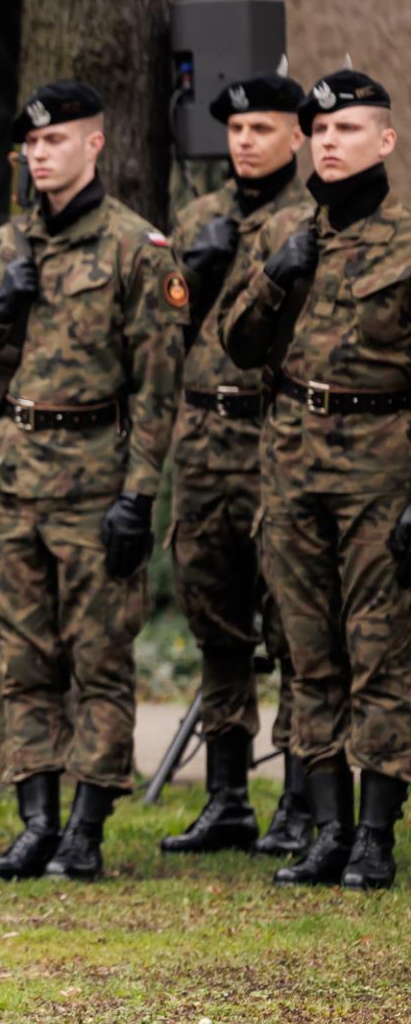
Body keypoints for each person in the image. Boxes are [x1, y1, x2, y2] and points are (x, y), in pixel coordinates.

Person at [0, 79, 186, 881]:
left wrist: (140, 494)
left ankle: (87, 825)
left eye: (57, 141)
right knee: (22, 658)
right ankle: (36, 821)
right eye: (32, 144)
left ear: (95, 145)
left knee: (98, 657)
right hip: (15, 476)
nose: (41, 154)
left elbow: (159, 386)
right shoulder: (1, 250)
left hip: (95, 477)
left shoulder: (136, 249)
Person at [222, 68, 411, 890]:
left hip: (381, 466)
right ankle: (326, 829)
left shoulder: (408, 242)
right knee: (308, 649)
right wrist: (276, 274)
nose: (330, 143)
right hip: (292, 466)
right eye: (321, 131)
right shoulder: (289, 237)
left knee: (381, 649)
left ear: (385, 141)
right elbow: (235, 343)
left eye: (347, 130)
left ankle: (375, 835)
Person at [160, 69, 312, 857]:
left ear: (297, 136)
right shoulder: (199, 218)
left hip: (276, 439)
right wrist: (199, 273)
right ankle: (227, 798)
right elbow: (161, 337)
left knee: (291, 624)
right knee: (214, 621)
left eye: (262, 128)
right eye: (237, 129)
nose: (246, 142)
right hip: (203, 443)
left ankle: (296, 798)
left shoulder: (313, 222)